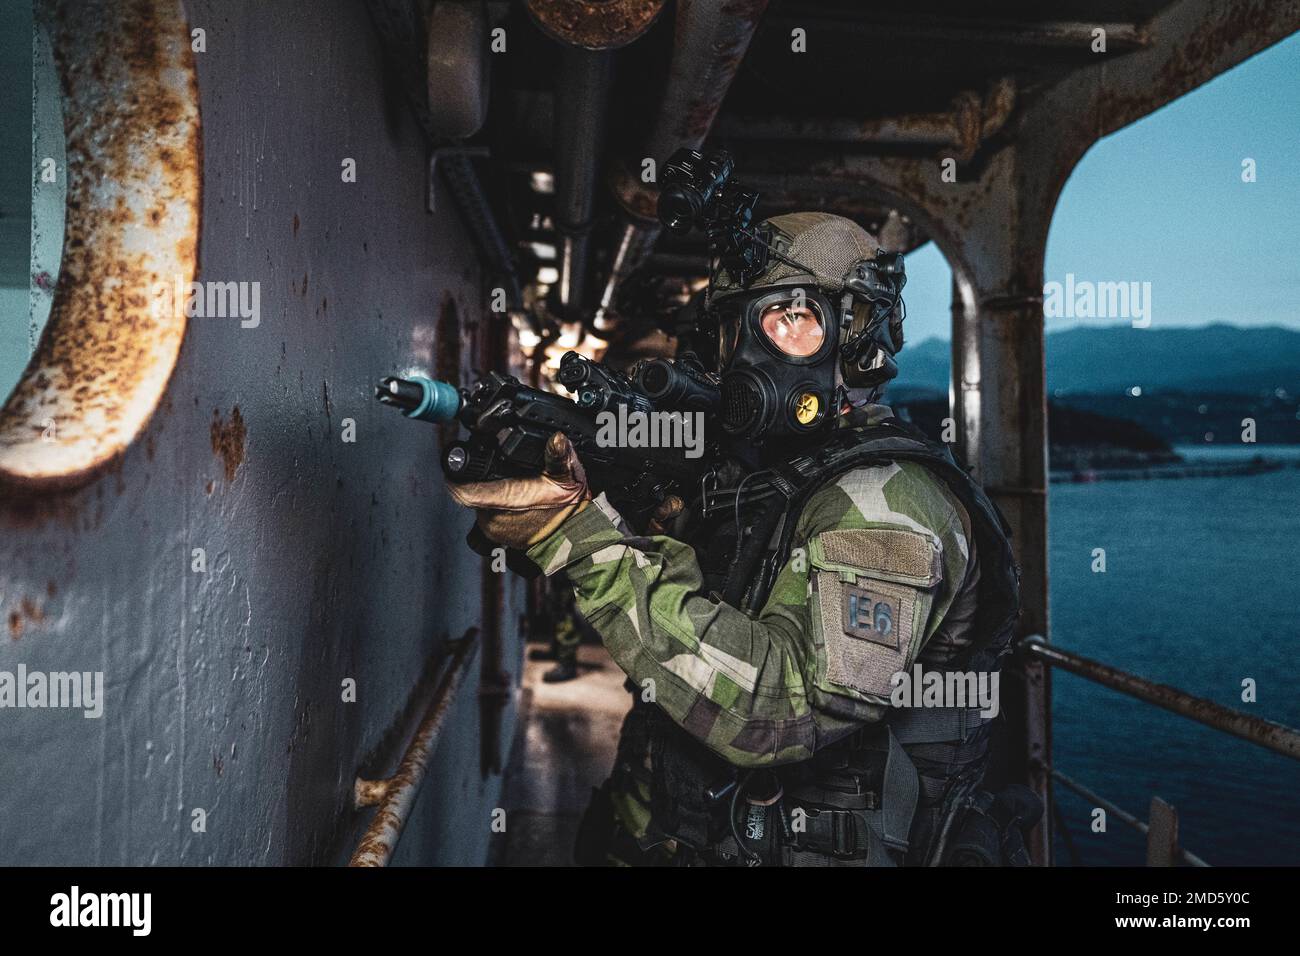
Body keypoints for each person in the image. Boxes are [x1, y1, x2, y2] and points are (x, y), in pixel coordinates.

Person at [451, 212, 1037, 866]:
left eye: (795, 319)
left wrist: (581, 542)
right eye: (742, 327)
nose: (748, 355)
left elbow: (778, 707)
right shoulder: (772, 479)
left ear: (861, 336)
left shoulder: (887, 503)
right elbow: (697, 604)